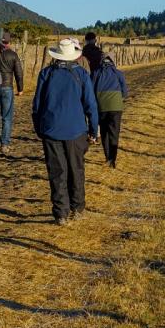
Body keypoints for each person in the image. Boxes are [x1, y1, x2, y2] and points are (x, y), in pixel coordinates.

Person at [31, 37, 99, 224]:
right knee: (76, 170)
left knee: (57, 172)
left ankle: (61, 213)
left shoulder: (46, 74)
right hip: (76, 131)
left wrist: (39, 128)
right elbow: (91, 105)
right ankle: (77, 208)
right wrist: (93, 130)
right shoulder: (82, 75)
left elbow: (37, 105)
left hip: (51, 130)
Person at [91, 53, 129, 168]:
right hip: (116, 107)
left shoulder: (96, 73)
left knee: (104, 132)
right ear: (112, 62)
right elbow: (125, 93)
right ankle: (113, 159)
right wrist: (118, 99)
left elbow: (90, 91)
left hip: (101, 106)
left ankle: (107, 157)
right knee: (114, 132)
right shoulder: (119, 73)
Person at [0, 33, 25, 152]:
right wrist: (20, 89)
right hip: (7, 87)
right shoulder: (13, 55)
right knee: (7, 117)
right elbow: (19, 74)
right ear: (9, 42)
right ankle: (4, 144)